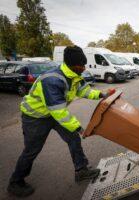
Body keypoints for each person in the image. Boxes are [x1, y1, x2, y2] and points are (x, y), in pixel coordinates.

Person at [7, 46, 115, 197]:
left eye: (84, 65)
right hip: (35, 117)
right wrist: (78, 127)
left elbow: (84, 90)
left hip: (53, 113)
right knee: (32, 150)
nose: (84, 68)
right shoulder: (52, 79)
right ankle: (15, 182)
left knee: (73, 139)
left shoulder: (75, 75)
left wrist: (102, 94)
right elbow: (58, 112)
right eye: (81, 66)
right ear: (72, 65)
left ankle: (81, 170)